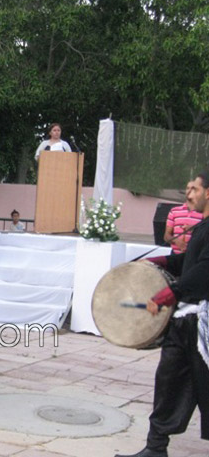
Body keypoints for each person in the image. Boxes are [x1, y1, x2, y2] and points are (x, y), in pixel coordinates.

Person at [115, 171, 209, 457]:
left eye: (193, 189)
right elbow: (189, 261)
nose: (188, 194)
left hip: (203, 324)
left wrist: (170, 294)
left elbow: (204, 271)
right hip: (184, 322)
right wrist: (158, 261)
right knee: (167, 382)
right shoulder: (203, 227)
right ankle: (156, 448)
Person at [164, 181, 202, 254]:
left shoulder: (203, 213)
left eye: (193, 188)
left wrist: (195, 229)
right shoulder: (174, 211)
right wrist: (176, 241)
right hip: (175, 255)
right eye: (187, 188)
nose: (189, 190)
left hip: (194, 256)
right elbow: (166, 236)